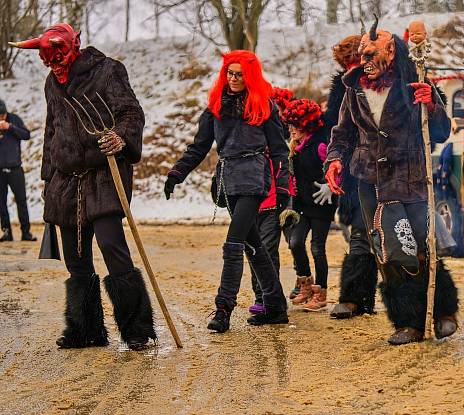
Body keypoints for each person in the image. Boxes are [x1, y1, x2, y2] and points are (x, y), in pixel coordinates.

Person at [10, 23, 157, 350]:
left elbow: (132, 113)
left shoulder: (108, 71)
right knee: (75, 259)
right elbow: (52, 129)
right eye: (49, 61)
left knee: (111, 246)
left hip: (102, 175)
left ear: (72, 49)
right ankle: (85, 330)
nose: (55, 66)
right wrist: (47, 175)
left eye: (58, 58)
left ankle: (136, 328)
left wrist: (120, 137)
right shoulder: (52, 83)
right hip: (65, 180)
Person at [324, 19, 459, 345]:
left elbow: (440, 132)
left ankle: (443, 312)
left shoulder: (415, 83)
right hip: (371, 181)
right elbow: (341, 133)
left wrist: (432, 104)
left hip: (411, 178)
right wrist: (334, 159)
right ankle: (408, 322)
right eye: (362, 55)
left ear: (391, 54)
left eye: (371, 55)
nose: (365, 61)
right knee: (392, 252)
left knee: (424, 248)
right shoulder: (353, 88)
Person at [165, 50, 290, 332]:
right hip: (229, 179)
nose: (233, 79)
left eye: (239, 74)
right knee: (254, 245)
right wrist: (177, 173)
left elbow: (280, 150)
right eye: (230, 73)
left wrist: (282, 186)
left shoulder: (264, 105)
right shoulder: (214, 107)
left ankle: (223, 308)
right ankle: (276, 307)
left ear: (250, 76)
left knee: (234, 242)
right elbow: (199, 147)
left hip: (256, 176)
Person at [324, 35, 380, 320]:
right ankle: (355, 297)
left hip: (398, 169)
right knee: (360, 233)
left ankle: (411, 305)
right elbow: (336, 129)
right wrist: (332, 162)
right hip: (359, 170)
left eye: (356, 61)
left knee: (405, 238)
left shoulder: (399, 78)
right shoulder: (344, 90)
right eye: (347, 63)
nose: (353, 67)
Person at [281, 98, 336, 311]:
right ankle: (305, 283)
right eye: (290, 126)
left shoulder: (321, 144)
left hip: (323, 203)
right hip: (303, 203)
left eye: (296, 126)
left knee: (317, 247)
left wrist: (332, 185)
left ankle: (320, 293)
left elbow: (337, 167)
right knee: (295, 242)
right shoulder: (297, 145)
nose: (292, 130)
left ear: (308, 125)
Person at [246, 86, 295, 316]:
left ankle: (268, 299)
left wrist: (285, 197)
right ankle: (264, 297)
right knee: (252, 250)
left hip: (272, 201)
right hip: (247, 200)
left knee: (267, 250)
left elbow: (283, 165)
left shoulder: (275, 141)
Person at [0, 99, 35, 242]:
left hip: (15, 169)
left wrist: (10, 127)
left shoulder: (14, 119)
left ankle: (26, 232)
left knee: (21, 201)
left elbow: (26, 135)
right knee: (1, 202)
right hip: (0, 170)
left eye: (2, 115)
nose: (1, 118)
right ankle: (7, 232)